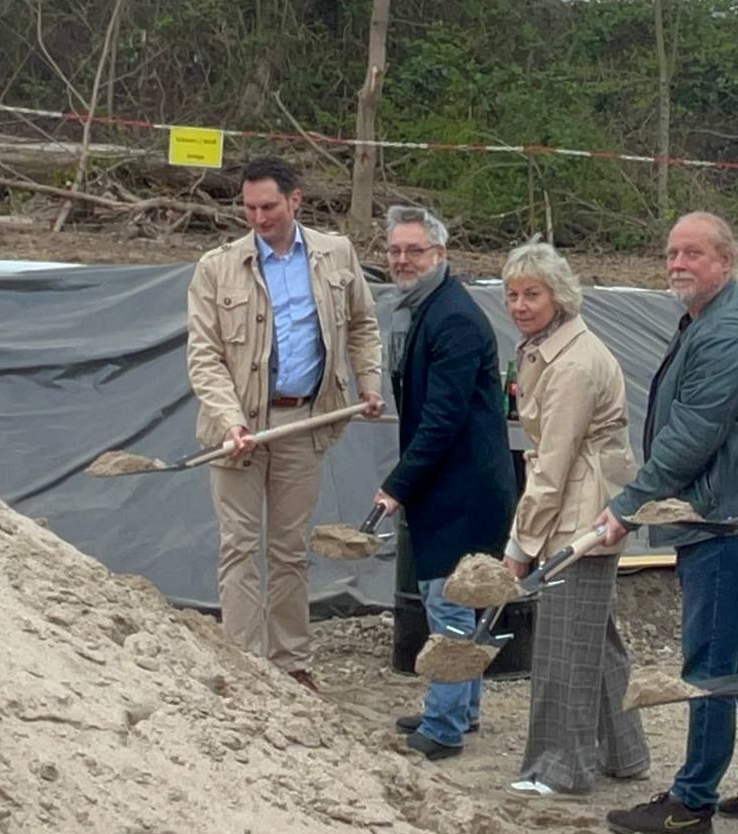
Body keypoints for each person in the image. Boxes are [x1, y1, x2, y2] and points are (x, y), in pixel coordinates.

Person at [597, 212, 738, 834]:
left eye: (693, 253)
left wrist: (629, 502)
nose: (679, 264)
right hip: (722, 512)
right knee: (737, 647)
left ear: (724, 259)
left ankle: (691, 803)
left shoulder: (728, 333)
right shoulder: (712, 318)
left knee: (709, 661)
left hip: (721, 520)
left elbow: (691, 436)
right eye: (671, 254)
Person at [184, 156, 384, 692]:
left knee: (289, 548)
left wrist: (369, 382)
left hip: (305, 422)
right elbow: (204, 357)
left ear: (295, 201)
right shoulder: (217, 267)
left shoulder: (335, 255)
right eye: (248, 207)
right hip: (239, 428)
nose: (258, 217)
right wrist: (229, 422)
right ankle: (244, 665)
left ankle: (292, 663)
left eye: (268, 206)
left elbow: (364, 325)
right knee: (239, 545)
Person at [498, 239, 652, 796]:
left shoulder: (574, 365)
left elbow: (552, 468)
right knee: (595, 636)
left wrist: (518, 548)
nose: (519, 305)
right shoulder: (542, 350)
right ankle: (627, 753)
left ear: (558, 297)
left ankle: (560, 768)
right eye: (513, 294)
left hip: (583, 517)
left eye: (531, 294)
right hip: (581, 505)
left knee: (562, 643)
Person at [372, 205, 515, 760]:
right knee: (463, 600)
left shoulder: (451, 317)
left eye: (415, 251)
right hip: (457, 481)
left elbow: (442, 417)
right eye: (395, 251)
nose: (403, 260)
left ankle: (446, 726)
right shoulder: (429, 309)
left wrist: (397, 484)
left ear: (441, 255)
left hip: (462, 486)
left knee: (450, 604)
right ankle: (461, 707)